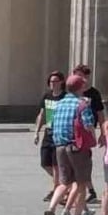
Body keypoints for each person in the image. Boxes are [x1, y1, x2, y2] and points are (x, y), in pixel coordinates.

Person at [44, 73, 97, 215]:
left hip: (59, 146)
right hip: (77, 147)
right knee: (81, 184)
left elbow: (52, 124)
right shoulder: (82, 104)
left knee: (64, 183)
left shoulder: (59, 104)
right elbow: (88, 125)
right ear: (81, 87)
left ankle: (51, 209)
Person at [73, 64, 105, 205]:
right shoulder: (71, 92)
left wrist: (103, 133)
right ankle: (85, 191)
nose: (80, 79)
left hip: (86, 133)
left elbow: (100, 113)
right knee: (75, 164)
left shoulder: (94, 93)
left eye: (82, 76)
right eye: (77, 75)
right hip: (71, 132)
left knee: (81, 164)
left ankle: (86, 192)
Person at [34, 70, 67, 199]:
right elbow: (42, 114)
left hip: (59, 133)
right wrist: (37, 132)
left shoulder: (65, 97)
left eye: (55, 81)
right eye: (51, 81)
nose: (53, 83)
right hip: (48, 133)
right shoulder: (47, 96)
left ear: (61, 82)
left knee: (55, 164)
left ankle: (56, 189)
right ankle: (64, 183)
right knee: (44, 163)